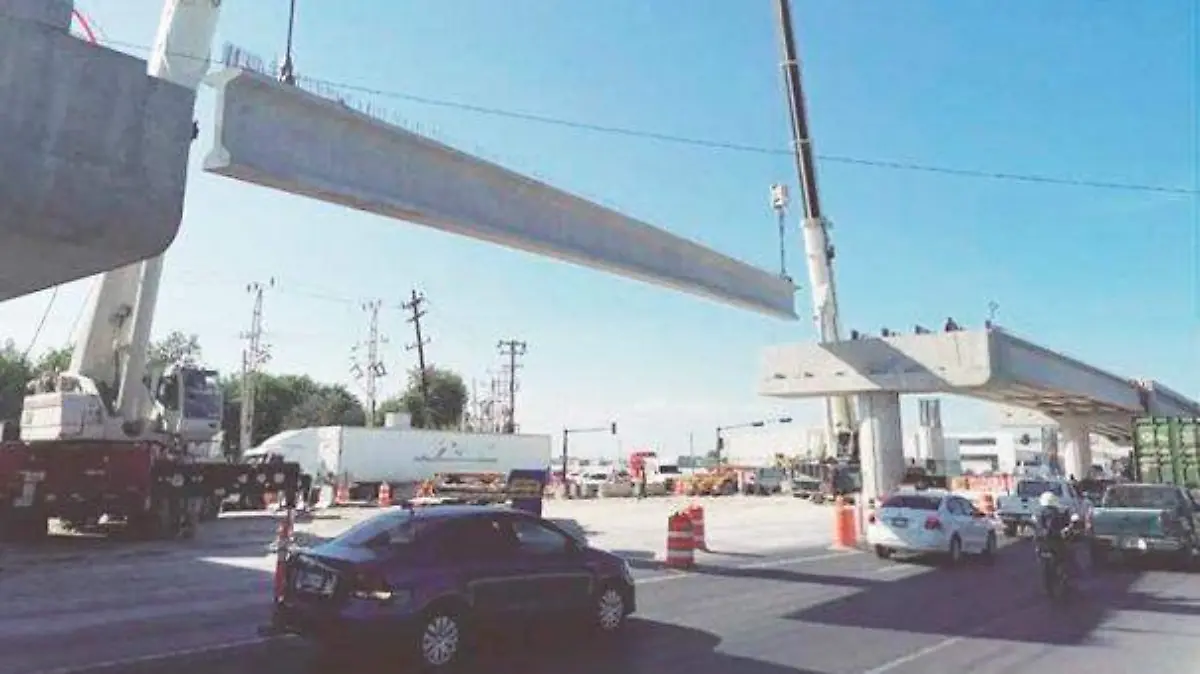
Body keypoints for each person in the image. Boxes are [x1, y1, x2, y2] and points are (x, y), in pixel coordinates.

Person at [1034, 491, 1081, 576]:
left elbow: (1037, 525)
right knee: (1066, 556)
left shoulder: (1038, 512)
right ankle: (1068, 574)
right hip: (1055, 539)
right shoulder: (1056, 512)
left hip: (1042, 540)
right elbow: (1065, 523)